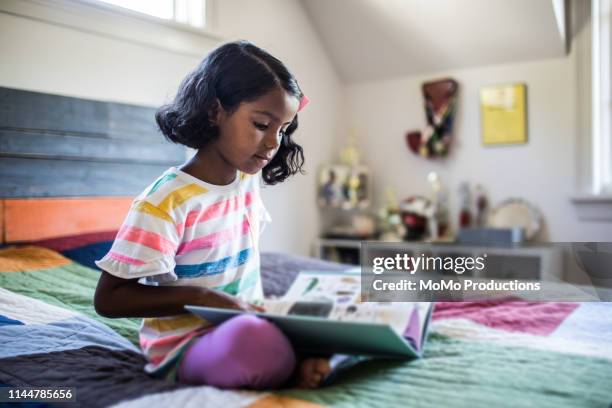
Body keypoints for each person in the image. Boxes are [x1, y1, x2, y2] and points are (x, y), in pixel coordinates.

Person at [93, 41, 331, 389]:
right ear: (215, 111)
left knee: (333, 312)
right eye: (262, 124)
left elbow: (289, 104)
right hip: (188, 345)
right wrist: (203, 298)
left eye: (281, 130)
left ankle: (300, 355)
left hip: (246, 318)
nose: (273, 143)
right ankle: (294, 364)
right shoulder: (165, 200)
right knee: (254, 341)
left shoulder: (247, 181)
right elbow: (109, 298)